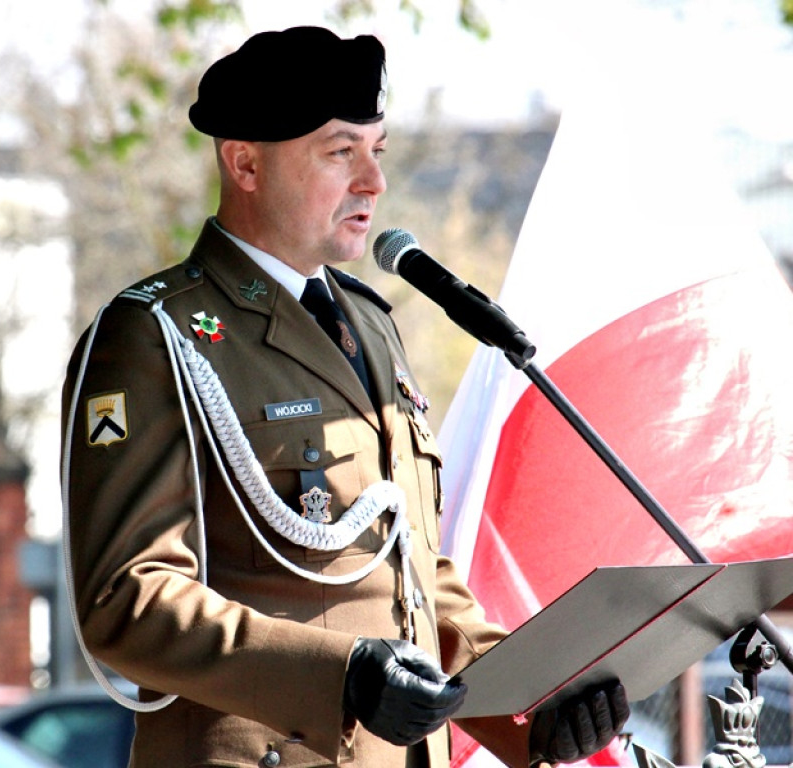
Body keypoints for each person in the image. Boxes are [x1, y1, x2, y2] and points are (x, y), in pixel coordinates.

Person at [61, 25, 629, 768]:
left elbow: (413, 576)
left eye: (378, 150)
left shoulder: (370, 324)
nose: (373, 182)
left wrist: (531, 713)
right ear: (246, 165)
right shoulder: (155, 336)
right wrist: (342, 677)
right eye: (340, 152)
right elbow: (127, 603)